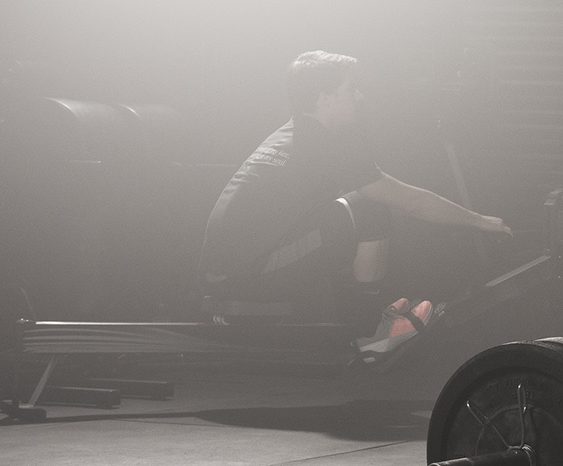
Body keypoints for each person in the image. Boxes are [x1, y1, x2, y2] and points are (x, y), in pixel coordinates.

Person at [200, 51, 511, 329]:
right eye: (351, 89)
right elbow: (412, 202)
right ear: (325, 98)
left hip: (226, 273)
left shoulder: (289, 135)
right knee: (369, 208)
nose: (360, 97)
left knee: (354, 207)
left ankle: (359, 317)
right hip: (244, 277)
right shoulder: (329, 146)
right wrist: (481, 222)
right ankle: (370, 328)